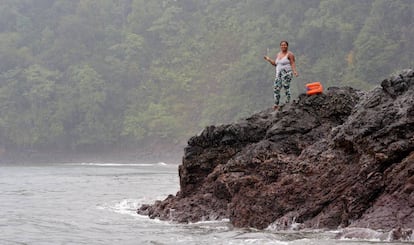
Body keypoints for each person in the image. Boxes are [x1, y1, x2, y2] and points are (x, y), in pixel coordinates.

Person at [264, 41, 298, 110]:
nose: (283, 46)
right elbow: (276, 64)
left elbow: (292, 63)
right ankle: (276, 104)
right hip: (278, 74)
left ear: (287, 46)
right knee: (276, 88)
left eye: (285, 45)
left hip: (286, 73)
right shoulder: (278, 54)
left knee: (286, 86)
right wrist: (268, 59)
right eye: (282, 45)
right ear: (280, 46)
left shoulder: (290, 54)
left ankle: (288, 102)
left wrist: (294, 71)